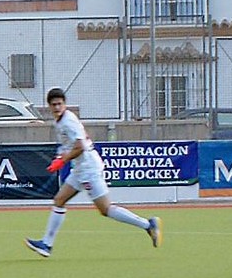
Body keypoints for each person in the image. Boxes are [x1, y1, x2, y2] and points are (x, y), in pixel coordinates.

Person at [25, 88, 161, 257]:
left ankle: (148, 225)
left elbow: (80, 147)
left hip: (89, 169)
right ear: (49, 106)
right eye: (54, 105)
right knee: (59, 200)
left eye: (60, 104)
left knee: (105, 209)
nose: (57, 107)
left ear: (65, 104)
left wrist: (62, 160)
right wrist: (61, 156)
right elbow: (70, 145)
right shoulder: (59, 121)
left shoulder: (68, 121)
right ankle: (47, 244)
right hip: (80, 169)